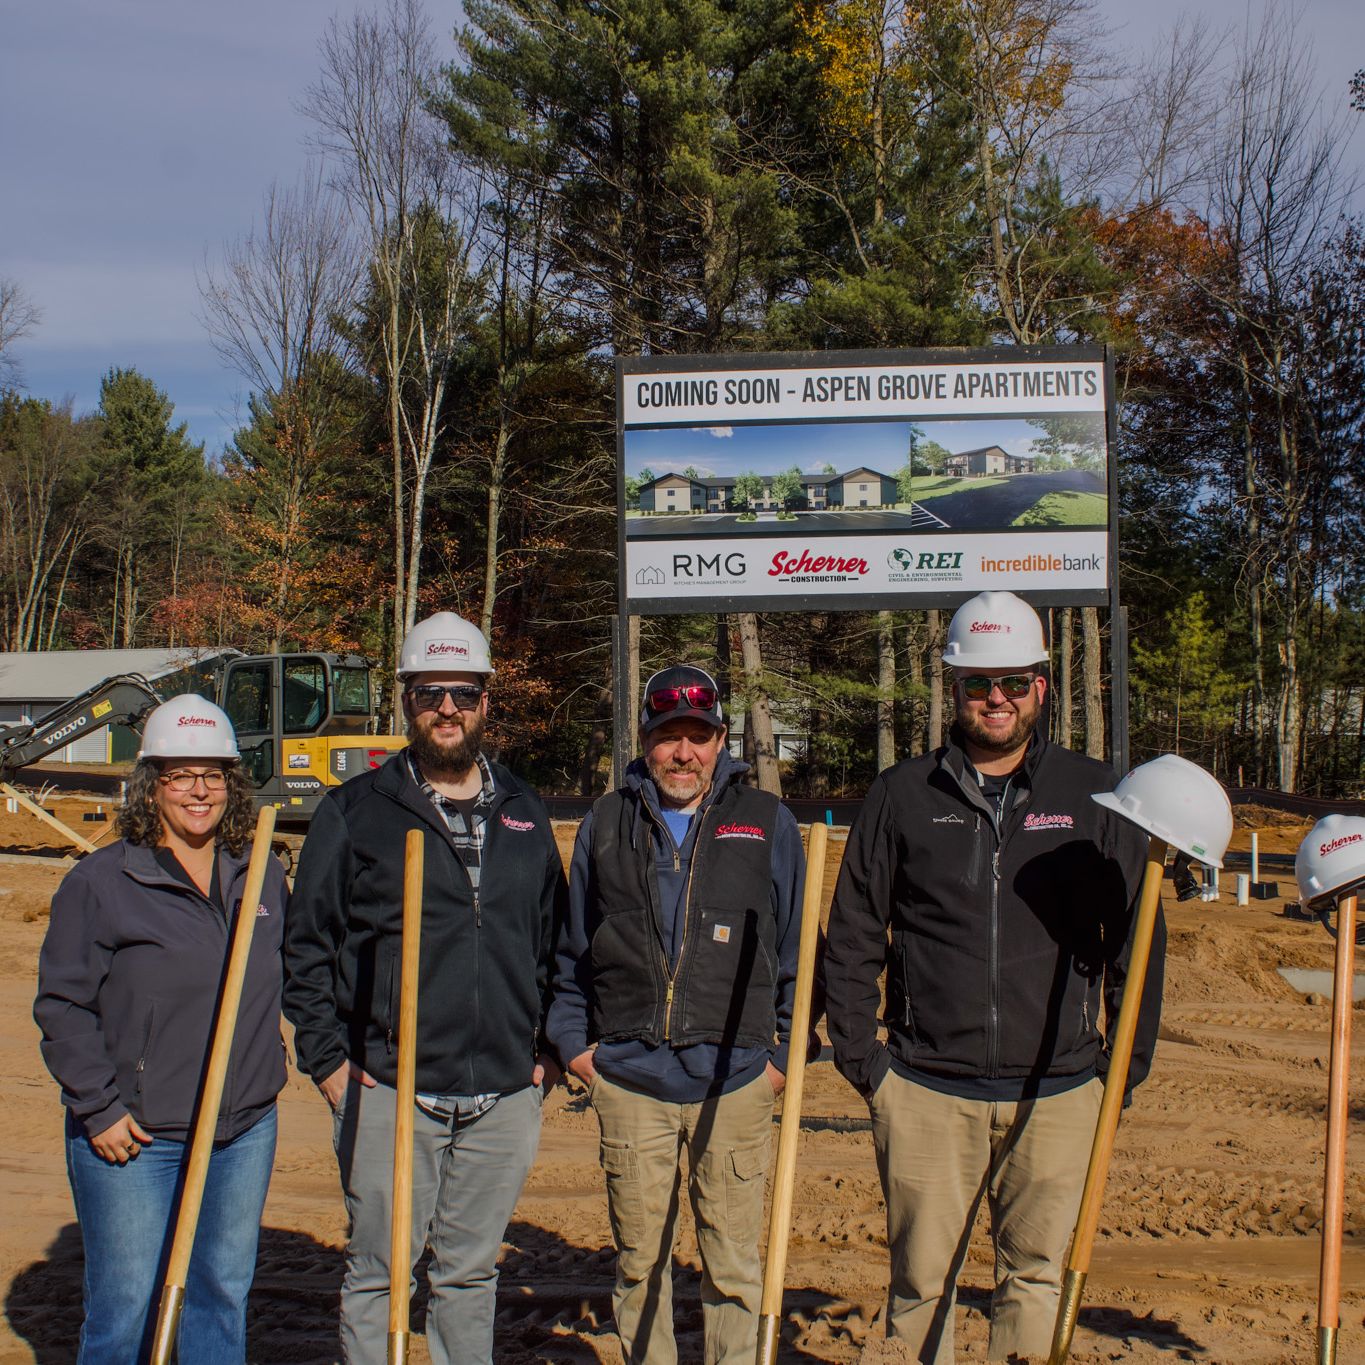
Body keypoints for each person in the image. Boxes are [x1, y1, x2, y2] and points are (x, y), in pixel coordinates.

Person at [825, 591, 1164, 1364]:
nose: (996, 698)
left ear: (1041, 684)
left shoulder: (1095, 793)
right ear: (952, 687)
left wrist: (1121, 1069)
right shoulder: (902, 794)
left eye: (1012, 681)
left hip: (1061, 1090)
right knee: (919, 1285)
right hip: (924, 1089)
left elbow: (1138, 943)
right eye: (978, 683)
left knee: (1035, 1278)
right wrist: (865, 1063)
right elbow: (851, 934)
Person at [282, 612, 565, 1365]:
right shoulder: (356, 811)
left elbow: (555, 942)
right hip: (390, 1089)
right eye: (430, 693)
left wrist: (547, 1058)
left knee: (469, 1275)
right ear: (406, 699)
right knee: (379, 1274)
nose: (448, 709)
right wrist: (331, 1066)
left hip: (503, 1093)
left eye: (463, 695)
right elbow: (305, 948)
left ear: (485, 702)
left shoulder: (524, 810)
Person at [548, 664, 808, 1365]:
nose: (683, 753)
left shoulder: (766, 822)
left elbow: (794, 953)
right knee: (641, 1265)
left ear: (721, 740)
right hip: (630, 1081)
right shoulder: (606, 823)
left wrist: (780, 1060)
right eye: (668, 737)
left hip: (735, 1082)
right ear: (645, 741)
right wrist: (577, 1048)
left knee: (732, 1270)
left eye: (698, 736)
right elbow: (571, 948)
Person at [34, 694, 288, 1365]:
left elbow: (284, 979)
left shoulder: (259, 872)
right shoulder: (103, 881)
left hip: (242, 1130)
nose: (198, 790)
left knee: (220, 1298)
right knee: (123, 1309)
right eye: (180, 774)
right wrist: (98, 1107)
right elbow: (62, 1005)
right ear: (152, 784)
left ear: (233, 783)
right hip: (135, 1139)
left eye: (213, 774)